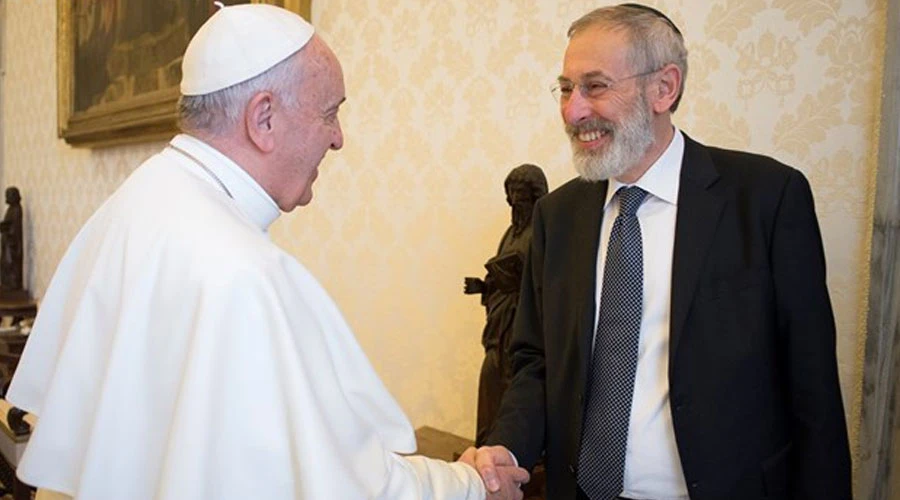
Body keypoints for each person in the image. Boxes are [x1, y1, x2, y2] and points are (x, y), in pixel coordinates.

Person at [7, 5, 527, 499]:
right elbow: (350, 488)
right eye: (330, 113)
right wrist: (470, 484)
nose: (338, 139)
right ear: (264, 118)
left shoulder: (138, 199)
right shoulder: (243, 276)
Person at [462, 4, 851, 500]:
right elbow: (536, 363)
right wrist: (506, 449)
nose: (573, 110)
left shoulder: (766, 199)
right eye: (565, 88)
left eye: (595, 86)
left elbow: (813, 390)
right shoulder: (557, 216)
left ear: (664, 88)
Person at [464, 164, 547, 447]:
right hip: (500, 321)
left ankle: (512, 450)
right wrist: (484, 286)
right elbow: (500, 271)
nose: (513, 199)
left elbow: (550, 282)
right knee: (491, 377)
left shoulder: (544, 230)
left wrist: (521, 279)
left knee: (517, 383)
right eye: (510, 192)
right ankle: (486, 446)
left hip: (524, 323)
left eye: (519, 193)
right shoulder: (510, 233)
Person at [0, 187, 24, 293]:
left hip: (12, 243)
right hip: (7, 243)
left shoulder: (17, 209)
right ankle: (7, 283)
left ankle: (13, 284)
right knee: (5, 263)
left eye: (9, 195)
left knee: (11, 264)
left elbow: (14, 228)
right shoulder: (11, 209)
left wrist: (4, 228)